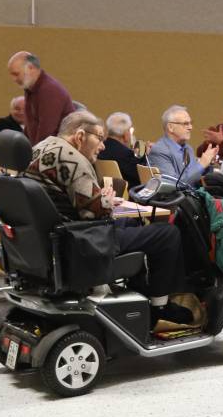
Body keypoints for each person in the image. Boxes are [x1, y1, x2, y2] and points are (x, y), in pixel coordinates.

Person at [28, 111, 184, 311]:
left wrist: (100, 200)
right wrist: (106, 202)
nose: (103, 146)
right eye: (100, 139)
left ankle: (137, 294)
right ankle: (161, 307)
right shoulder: (74, 160)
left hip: (53, 238)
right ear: (80, 136)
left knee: (132, 222)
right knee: (167, 233)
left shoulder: (39, 148)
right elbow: (93, 214)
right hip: (82, 242)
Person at [7, 51, 72, 144]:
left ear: (30, 68)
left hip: (55, 152)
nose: (14, 79)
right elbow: (30, 126)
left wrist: (33, 156)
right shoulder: (31, 89)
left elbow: (46, 133)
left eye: (16, 74)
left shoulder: (49, 90)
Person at [147, 105, 218, 187]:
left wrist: (208, 163)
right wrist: (201, 164)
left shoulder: (188, 148)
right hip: (176, 198)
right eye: (185, 124)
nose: (190, 127)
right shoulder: (160, 151)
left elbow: (193, 176)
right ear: (170, 127)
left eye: (190, 123)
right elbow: (174, 185)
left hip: (192, 195)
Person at [98, 112, 141, 188]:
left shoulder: (99, 149)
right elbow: (140, 177)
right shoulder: (126, 154)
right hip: (127, 194)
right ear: (125, 134)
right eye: (129, 130)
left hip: (105, 190)